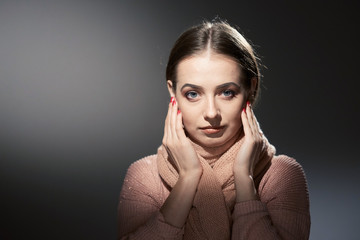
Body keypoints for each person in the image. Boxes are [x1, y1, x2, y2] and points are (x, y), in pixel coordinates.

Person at [117, 20, 310, 240]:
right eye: (193, 94)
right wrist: (188, 179)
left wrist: (245, 180)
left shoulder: (281, 176)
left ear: (251, 89)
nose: (211, 113)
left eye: (227, 92)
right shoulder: (145, 176)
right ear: (173, 93)